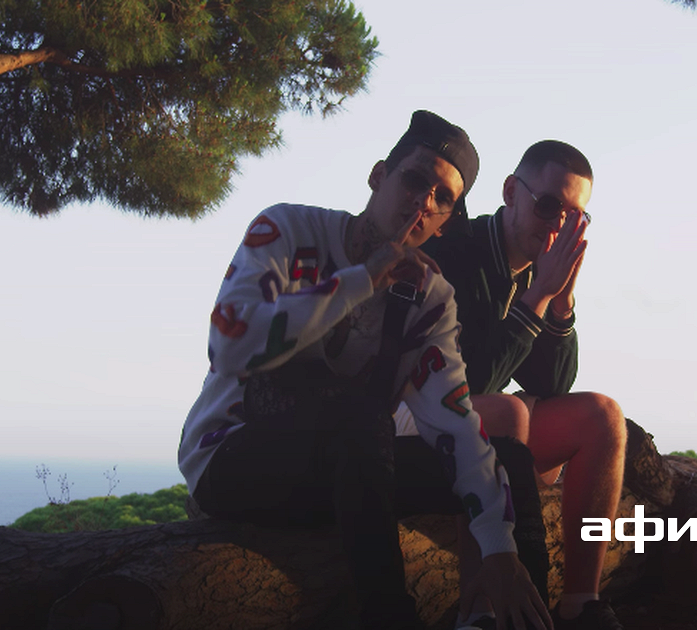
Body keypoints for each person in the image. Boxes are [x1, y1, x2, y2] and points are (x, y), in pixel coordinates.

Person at [177, 111, 554, 630]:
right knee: (362, 418)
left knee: (507, 460)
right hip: (233, 457)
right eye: (414, 180)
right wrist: (362, 279)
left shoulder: (430, 299)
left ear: (445, 221)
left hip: (351, 471)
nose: (422, 203)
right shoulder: (287, 229)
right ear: (378, 175)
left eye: (442, 198)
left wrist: (498, 548)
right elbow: (229, 348)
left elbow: (454, 422)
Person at [411, 140, 627, 630]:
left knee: (602, 416)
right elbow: (460, 390)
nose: (556, 226)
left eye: (573, 219)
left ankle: (581, 603)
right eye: (548, 206)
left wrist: (561, 302)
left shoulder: (537, 270)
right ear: (511, 191)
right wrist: (537, 297)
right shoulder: (455, 253)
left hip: (488, 433)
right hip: (417, 428)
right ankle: (482, 611)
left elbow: (551, 383)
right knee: (506, 413)